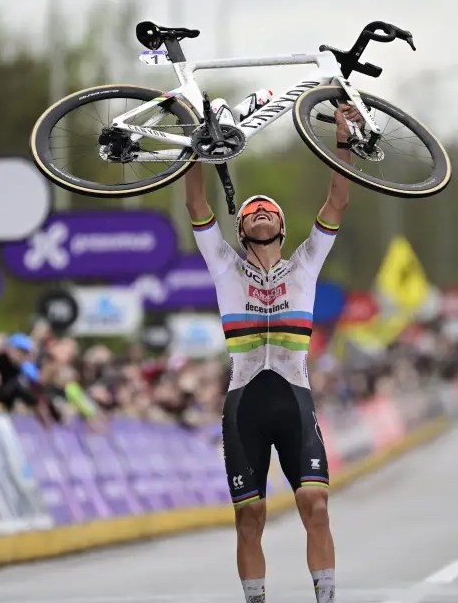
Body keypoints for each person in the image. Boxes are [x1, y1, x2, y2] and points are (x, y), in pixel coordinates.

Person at [185, 103, 360, 603]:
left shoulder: (305, 264)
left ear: (282, 227)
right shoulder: (224, 266)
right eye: (251, 211)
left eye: (269, 209)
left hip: (294, 401)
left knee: (316, 505)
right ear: (241, 230)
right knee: (250, 516)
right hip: (244, 405)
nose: (260, 210)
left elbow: (338, 200)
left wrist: (343, 137)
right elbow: (196, 202)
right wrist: (195, 144)